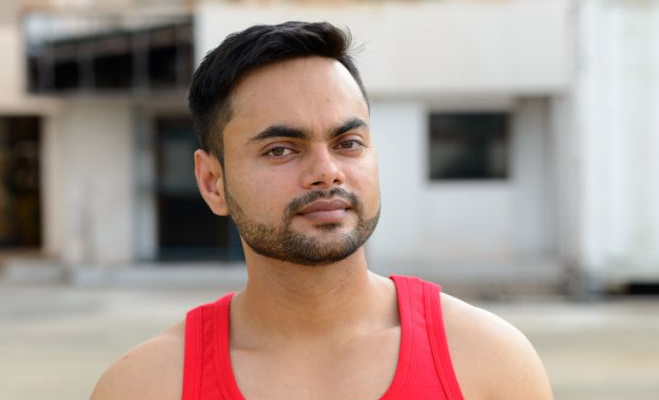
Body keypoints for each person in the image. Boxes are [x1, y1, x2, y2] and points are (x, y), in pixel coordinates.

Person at [90, 21, 553, 400]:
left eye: (348, 143)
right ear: (213, 182)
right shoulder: (144, 387)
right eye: (280, 150)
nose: (327, 172)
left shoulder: (489, 363)